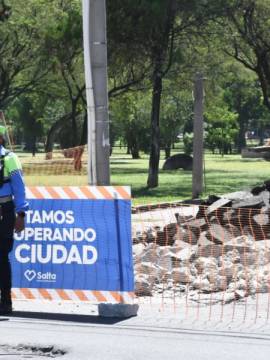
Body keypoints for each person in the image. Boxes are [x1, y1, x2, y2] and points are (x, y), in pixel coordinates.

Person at [0, 125, 28, 314]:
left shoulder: (10, 158)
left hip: (5, 210)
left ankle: (6, 301)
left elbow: (19, 188)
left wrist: (21, 215)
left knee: (2, 257)